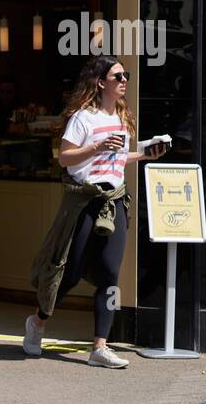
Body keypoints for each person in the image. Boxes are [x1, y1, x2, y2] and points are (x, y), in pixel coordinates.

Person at [25, 56, 167, 367]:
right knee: (71, 272)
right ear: (101, 82)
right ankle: (38, 321)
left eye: (125, 75)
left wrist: (145, 154)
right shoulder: (82, 118)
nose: (124, 80)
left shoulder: (121, 116)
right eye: (117, 76)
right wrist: (97, 147)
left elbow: (117, 160)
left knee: (110, 274)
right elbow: (64, 158)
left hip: (114, 200)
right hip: (85, 201)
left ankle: (99, 347)